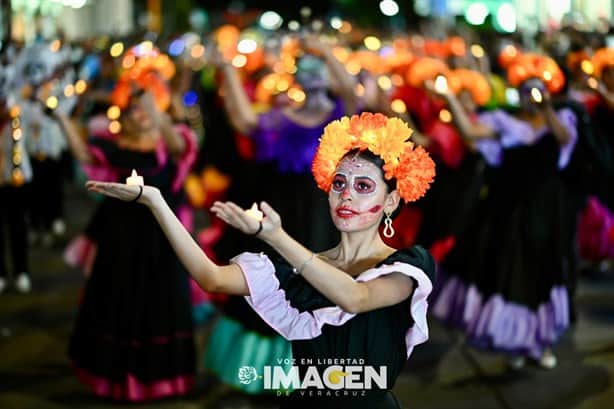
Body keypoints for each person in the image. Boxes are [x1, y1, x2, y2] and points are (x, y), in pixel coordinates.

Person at [86, 112, 436, 409]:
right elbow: (212, 278)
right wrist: (156, 202)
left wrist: (275, 236)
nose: (346, 195)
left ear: (390, 202)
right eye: (339, 183)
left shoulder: (408, 265)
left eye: (363, 187)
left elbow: (356, 298)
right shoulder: (301, 272)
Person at [59, 47, 198, 401]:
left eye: (148, 106)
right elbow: (85, 156)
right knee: (117, 305)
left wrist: (156, 106)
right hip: (120, 242)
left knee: (161, 308)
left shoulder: (175, 142)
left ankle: (164, 382)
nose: (142, 112)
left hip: (164, 244)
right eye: (136, 107)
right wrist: (61, 117)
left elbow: (178, 145)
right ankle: (117, 381)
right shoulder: (115, 144)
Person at [428, 53, 576, 369]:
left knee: (544, 275)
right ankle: (517, 343)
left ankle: (540, 343)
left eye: (537, 89)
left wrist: (547, 109)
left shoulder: (562, 119)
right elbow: (470, 132)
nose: (530, 96)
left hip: (547, 214)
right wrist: (449, 98)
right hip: (508, 213)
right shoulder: (504, 122)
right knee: (510, 277)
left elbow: (565, 140)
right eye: (525, 90)